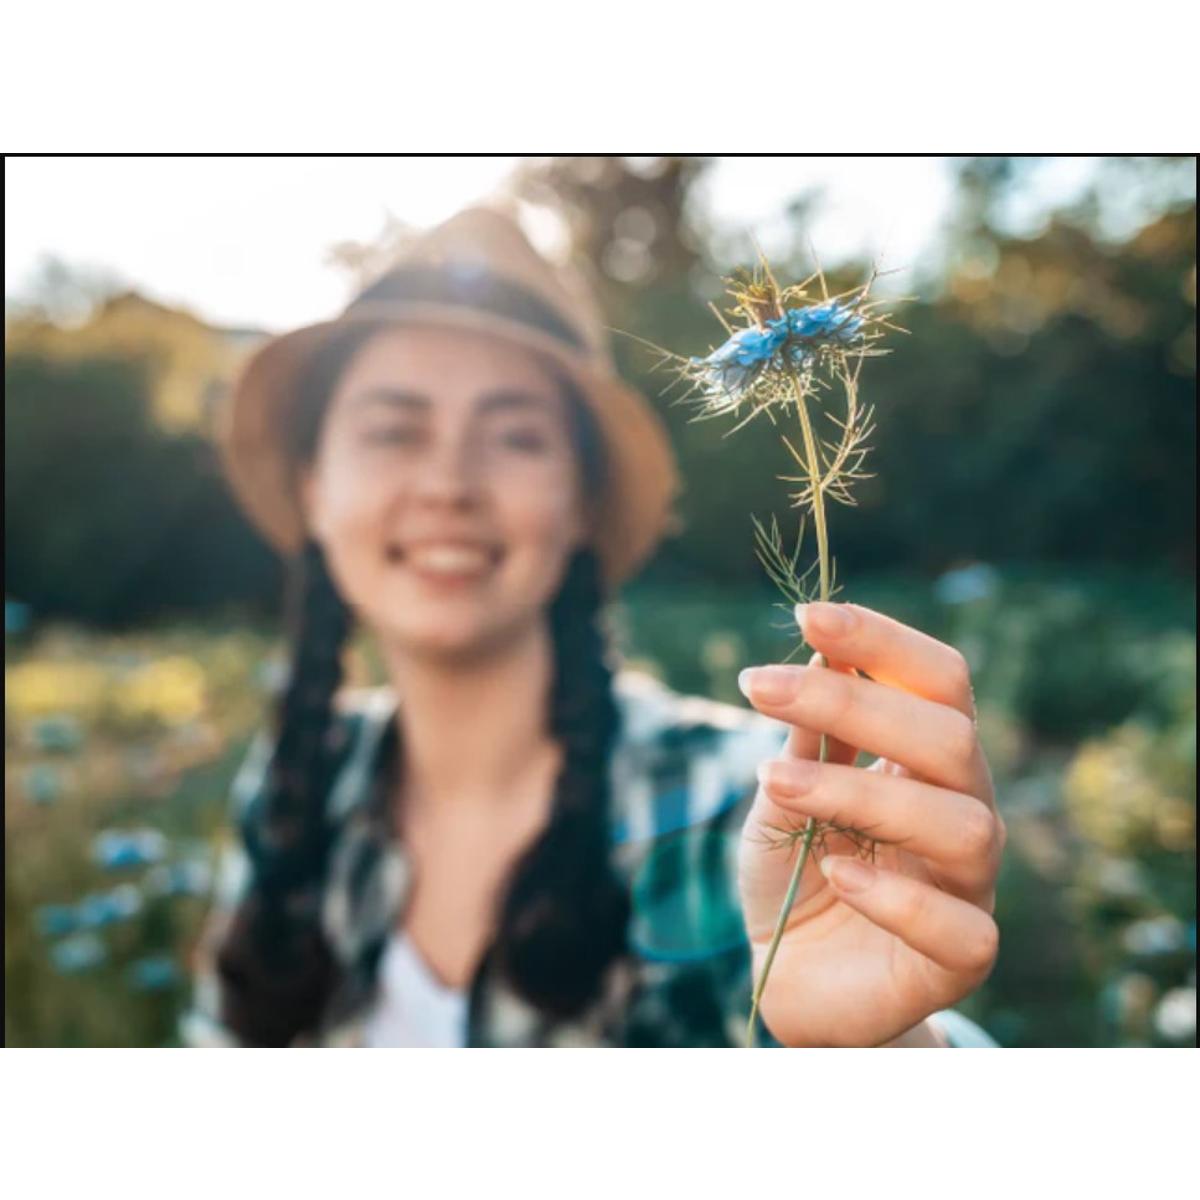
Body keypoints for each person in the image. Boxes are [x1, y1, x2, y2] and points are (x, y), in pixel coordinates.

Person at [182, 205, 1002, 1048]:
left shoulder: (754, 802)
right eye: (394, 430)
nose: (449, 485)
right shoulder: (300, 780)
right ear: (314, 486)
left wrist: (882, 1058)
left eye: (514, 437)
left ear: (581, 499)